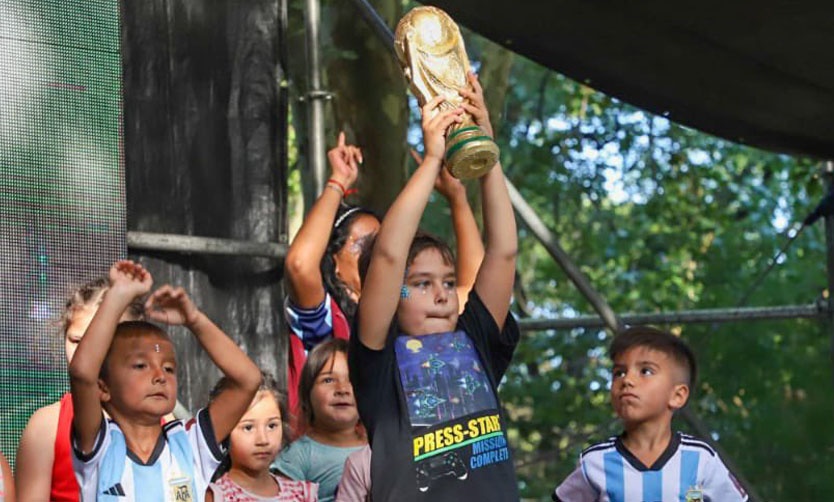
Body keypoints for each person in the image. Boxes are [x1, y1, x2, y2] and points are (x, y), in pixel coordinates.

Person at [351, 72, 520, 500]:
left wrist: (486, 150)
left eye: (447, 282)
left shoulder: (474, 340)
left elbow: (502, 253)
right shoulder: (379, 359)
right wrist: (431, 159)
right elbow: (389, 254)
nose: (442, 294)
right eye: (420, 284)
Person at [283, 131, 484, 421]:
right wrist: (337, 182)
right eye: (364, 245)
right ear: (333, 263)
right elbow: (300, 264)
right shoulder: (327, 322)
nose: (376, 254)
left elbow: (470, 293)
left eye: (381, 245)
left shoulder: (404, 302)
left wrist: (457, 198)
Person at [69, 260, 262, 501]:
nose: (160, 376)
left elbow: (249, 380)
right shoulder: (99, 446)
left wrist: (194, 319)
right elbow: (82, 373)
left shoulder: (191, 446)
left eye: (169, 368)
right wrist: (118, 295)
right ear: (103, 388)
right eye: (141, 366)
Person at [552, 326, 749, 502]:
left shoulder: (701, 459)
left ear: (677, 395)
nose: (627, 380)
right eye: (619, 372)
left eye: (645, 371)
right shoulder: (595, 461)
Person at [16, 277, 143, 502]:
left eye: (100, 340)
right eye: (75, 341)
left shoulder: (162, 421)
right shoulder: (47, 426)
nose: (86, 353)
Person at [272, 339, 366, 502]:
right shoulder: (298, 457)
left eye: (351, 380)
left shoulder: (379, 447)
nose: (342, 389)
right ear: (307, 395)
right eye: (328, 380)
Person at [206, 372, 317, 501]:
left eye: (272, 426)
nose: (263, 440)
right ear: (224, 432)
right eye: (248, 428)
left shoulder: (301, 494)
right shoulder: (218, 496)